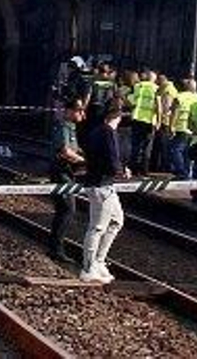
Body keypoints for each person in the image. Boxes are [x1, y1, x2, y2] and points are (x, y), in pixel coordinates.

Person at [78, 95, 130, 284]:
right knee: (97, 227)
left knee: (116, 221)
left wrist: (118, 169)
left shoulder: (97, 130)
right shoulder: (108, 133)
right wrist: (121, 171)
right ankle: (88, 267)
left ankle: (98, 262)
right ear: (119, 115)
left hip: (102, 184)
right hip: (101, 185)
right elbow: (111, 158)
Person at [47, 96, 86, 263]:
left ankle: (56, 247)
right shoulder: (63, 126)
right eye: (78, 110)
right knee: (67, 210)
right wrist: (84, 162)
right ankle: (56, 249)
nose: (82, 113)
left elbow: (74, 149)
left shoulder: (71, 127)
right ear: (69, 111)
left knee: (65, 210)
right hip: (60, 172)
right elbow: (65, 151)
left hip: (68, 173)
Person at [128, 68, 159, 171]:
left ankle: (133, 168)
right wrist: (158, 121)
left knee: (135, 145)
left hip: (136, 118)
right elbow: (158, 106)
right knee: (147, 146)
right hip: (149, 121)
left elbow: (132, 101)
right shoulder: (156, 88)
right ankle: (144, 169)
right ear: (154, 79)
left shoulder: (138, 86)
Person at [169, 77, 197, 178]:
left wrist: (171, 126)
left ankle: (181, 172)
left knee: (175, 150)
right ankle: (186, 173)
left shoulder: (179, 96)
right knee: (187, 153)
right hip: (193, 129)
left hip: (181, 127)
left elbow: (174, 112)